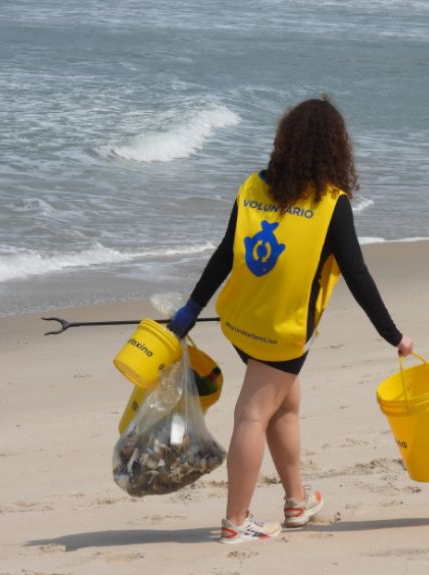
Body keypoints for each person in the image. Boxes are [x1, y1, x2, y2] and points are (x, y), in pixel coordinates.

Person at [168, 95, 413, 544]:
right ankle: (236, 521)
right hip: (283, 333)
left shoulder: (253, 187)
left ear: (284, 143)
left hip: (240, 321)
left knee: (285, 405)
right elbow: (356, 274)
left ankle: (297, 500)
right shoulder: (330, 204)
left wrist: (192, 308)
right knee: (252, 414)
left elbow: (225, 254)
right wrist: (392, 334)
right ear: (335, 150)